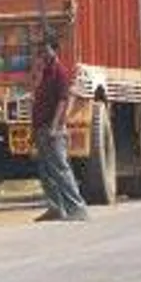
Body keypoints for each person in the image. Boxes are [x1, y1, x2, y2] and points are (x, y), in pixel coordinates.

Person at [31, 33, 88, 222]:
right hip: (41, 129)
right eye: (40, 50)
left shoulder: (59, 72)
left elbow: (63, 101)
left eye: (45, 49)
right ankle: (56, 208)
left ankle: (77, 208)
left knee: (61, 169)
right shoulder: (45, 73)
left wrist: (55, 127)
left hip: (52, 129)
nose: (42, 53)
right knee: (46, 171)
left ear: (54, 50)